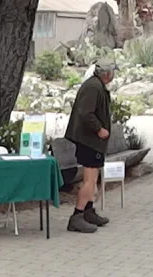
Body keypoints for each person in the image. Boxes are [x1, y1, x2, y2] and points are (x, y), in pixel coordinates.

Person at [65, 59, 115, 233]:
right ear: (108, 74)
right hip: (89, 141)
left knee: (93, 179)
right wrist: (100, 129)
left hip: (93, 142)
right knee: (89, 179)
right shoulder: (93, 87)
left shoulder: (95, 85)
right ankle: (77, 216)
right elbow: (85, 113)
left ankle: (88, 210)